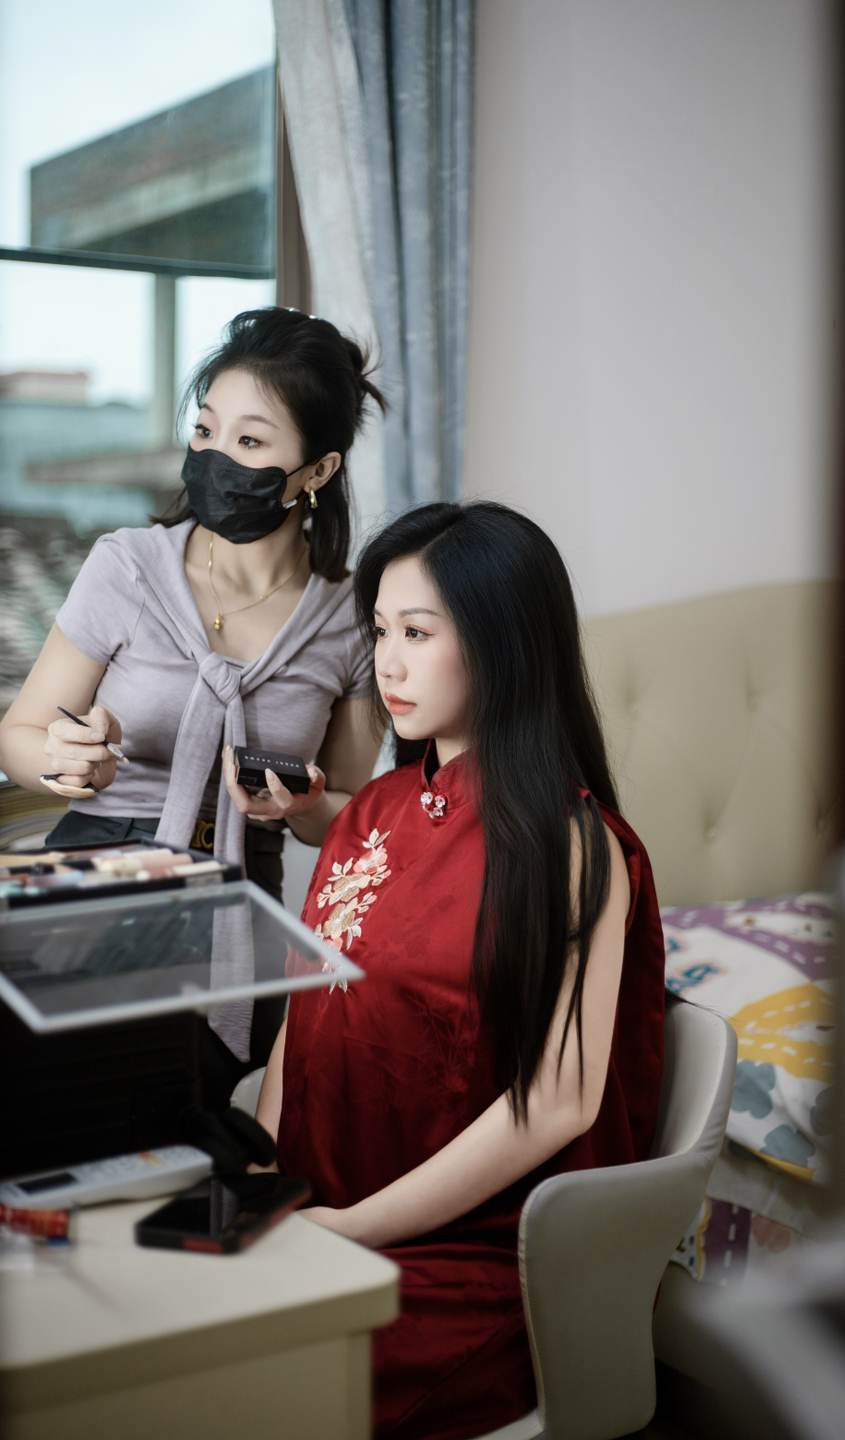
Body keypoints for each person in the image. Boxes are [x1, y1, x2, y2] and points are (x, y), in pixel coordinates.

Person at [255, 501, 666, 1439]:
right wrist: (263, 1179)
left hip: (476, 1257)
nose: (387, 664)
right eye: (379, 633)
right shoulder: (371, 811)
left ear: (502, 641)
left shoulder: (573, 843)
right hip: (313, 1214)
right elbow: (306, 1016)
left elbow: (558, 1103)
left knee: (253, 1381)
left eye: (417, 633)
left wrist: (352, 1231)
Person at [0, 307, 386, 1105]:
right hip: (97, 868)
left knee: (203, 1115)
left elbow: (346, 815)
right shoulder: (126, 566)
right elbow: (20, 736)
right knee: (58, 1112)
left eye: (250, 442)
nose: (214, 458)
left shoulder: (350, 620)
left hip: (240, 896)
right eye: (206, 431)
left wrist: (302, 804)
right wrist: (66, 760)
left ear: (317, 469)